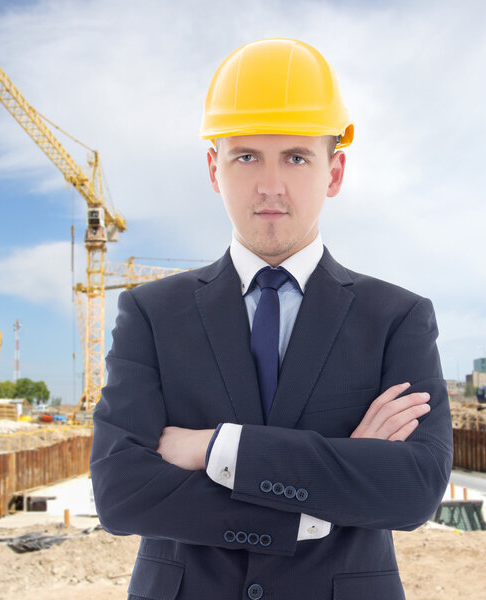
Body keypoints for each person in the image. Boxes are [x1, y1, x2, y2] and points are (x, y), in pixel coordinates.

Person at [91, 38, 453, 600]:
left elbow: (414, 490)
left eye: (296, 157)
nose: (270, 185)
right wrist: (323, 496)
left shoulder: (397, 318)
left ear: (334, 172)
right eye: (246, 156)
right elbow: (121, 493)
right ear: (215, 168)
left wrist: (216, 449)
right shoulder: (149, 314)